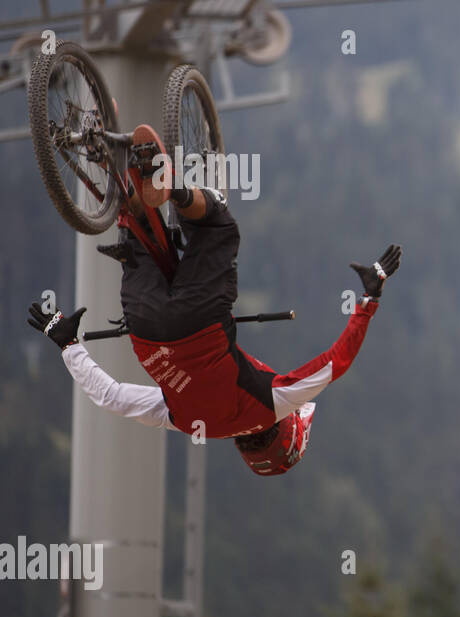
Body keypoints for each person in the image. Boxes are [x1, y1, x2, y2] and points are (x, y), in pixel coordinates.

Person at [27, 141, 400, 476]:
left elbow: (337, 363)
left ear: (287, 427)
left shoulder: (272, 405)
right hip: (144, 324)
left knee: (218, 226)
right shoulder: (188, 423)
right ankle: (105, 164)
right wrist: (68, 344)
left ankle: (173, 189)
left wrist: (369, 299)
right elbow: (111, 397)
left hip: (202, 315)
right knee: (138, 229)